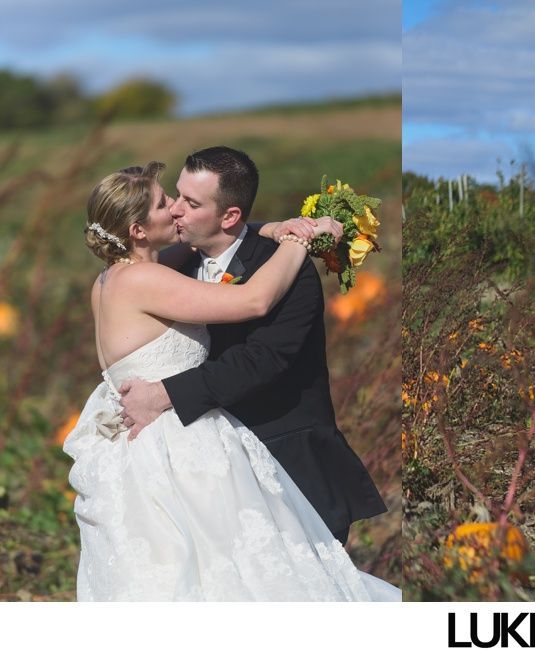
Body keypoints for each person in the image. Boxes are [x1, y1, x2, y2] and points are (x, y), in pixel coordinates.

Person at [64, 161, 399, 600]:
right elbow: (253, 299)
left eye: (185, 200)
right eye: (167, 202)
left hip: (146, 443)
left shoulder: (111, 278)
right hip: (176, 448)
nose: (176, 209)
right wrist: (301, 239)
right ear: (138, 230)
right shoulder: (147, 277)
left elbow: (228, 237)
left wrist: (274, 228)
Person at [116, 147, 386, 546]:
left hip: (286, 461)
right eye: (176, 195)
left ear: (229, 216)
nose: (174, 209)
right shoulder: (175, 266)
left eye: (191, 203)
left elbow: (260, 360)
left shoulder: (285, 269)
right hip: (213, 471)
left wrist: (163, 395)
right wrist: (273, 225)